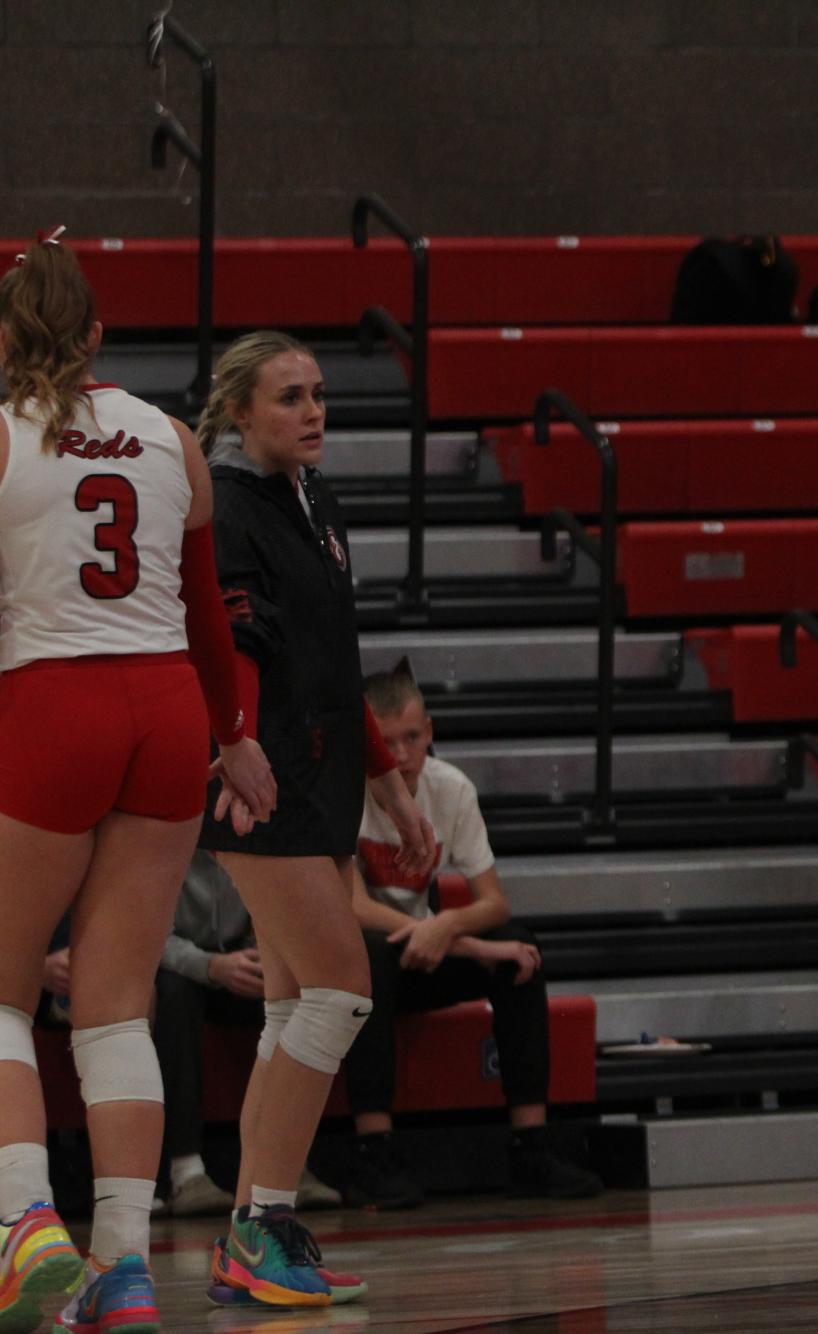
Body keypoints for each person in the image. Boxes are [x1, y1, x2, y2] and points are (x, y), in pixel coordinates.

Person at [0, 229, 274, 1333]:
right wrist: (235, 734)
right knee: (115, 1005)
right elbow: (210, 614)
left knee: (4, 993)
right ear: (101, 333)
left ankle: (24, 1227)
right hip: (165, 713)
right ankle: (122, 1267)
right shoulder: (170, 437)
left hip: (52, 706)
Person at [195, 330, 434, 1311]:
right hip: (267, 780)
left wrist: (393, 783)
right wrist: (236, 741)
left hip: (326, 775)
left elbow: (339, 661)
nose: (312, 411)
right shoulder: (226, 508)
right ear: (240, 411)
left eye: (319, 394)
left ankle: (264, 1225)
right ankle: (258, 1227)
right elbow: (233, 645)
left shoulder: (313, 497)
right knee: (339, 991)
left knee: (296, 1008)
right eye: (289, 397)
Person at [341, 661, 602, 1208]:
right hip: (353, 959)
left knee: (518, 949)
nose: (403, 755)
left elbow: (493, 902)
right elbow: (354, 908)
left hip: (422, 953)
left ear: (430, 732)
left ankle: (531, 1144)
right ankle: (374, 1152)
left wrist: (448, 927)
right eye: (386, 742)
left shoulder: (450, 788)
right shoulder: (345, 793)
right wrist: (463, 941)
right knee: (369, 956)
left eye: (412, 738)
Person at [153, 852, 342, 1215]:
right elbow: (142, 935)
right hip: (179, 968)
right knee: (174, 995)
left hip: (238, 959)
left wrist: (262, 958)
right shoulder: (163, 836)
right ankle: (186, 1170)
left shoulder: (253, 839)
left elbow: (277, 917)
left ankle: (287, 1167)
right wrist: (209, 966)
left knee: (289, 994)